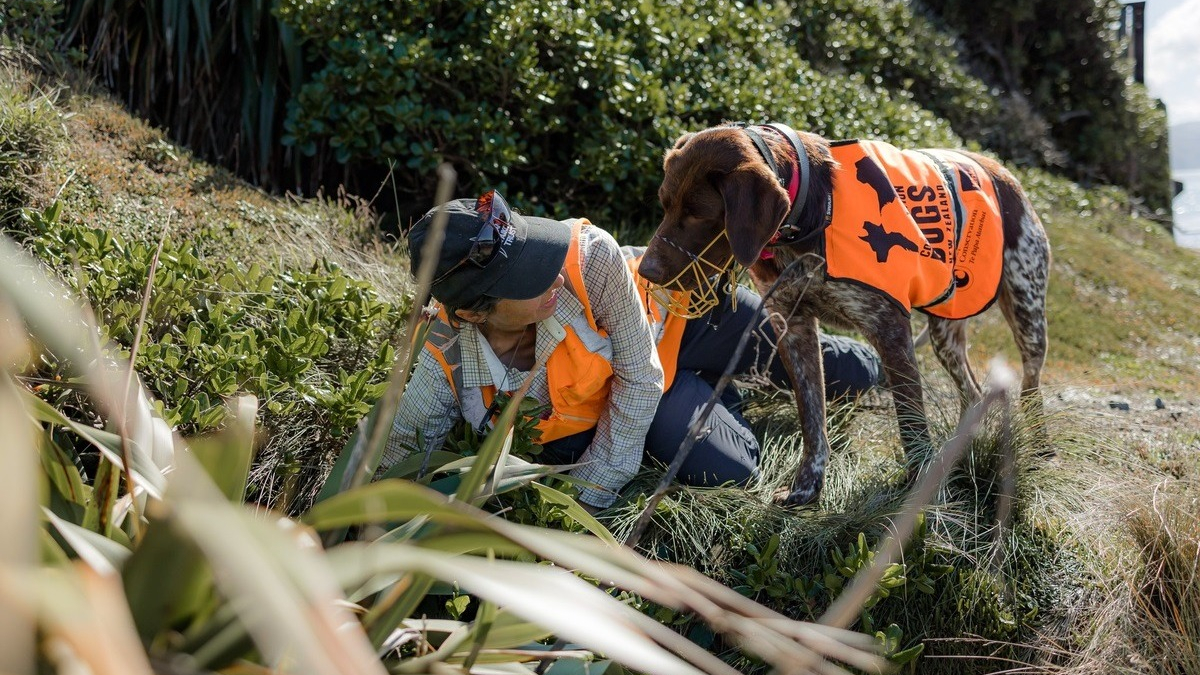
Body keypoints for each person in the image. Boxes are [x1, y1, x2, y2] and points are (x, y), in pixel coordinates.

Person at [381, 190, 880, 511]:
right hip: (654, 387)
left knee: (843, 371)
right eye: (529, 278)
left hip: (686, 315)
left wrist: (584, 505)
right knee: (729, 471)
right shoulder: (447, 355)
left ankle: (865, 362)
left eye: (540, 253)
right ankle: (719, 393)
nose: (553, 274)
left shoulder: (590, 256)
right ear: (472, 313)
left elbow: (638, 376)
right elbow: (403, 449)